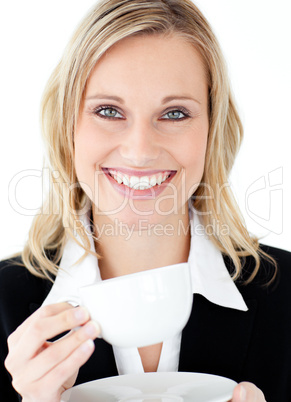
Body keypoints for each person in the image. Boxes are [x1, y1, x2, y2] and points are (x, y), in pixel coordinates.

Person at [0, 0, 290, 401]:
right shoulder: (3, 303)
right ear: (68, 126)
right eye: (108, 110)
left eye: (174, 114)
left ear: (212, 129)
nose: (139, 151)